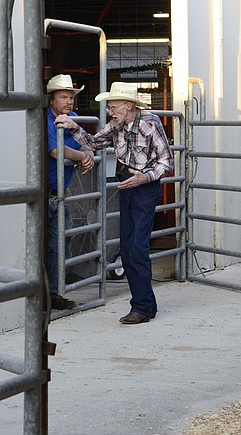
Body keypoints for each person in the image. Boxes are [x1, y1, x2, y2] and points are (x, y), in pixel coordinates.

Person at [56, 81, 174, 325]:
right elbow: (94, 143)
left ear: (129, 106)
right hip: (127, 183)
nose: (110, 111)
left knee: (137, 247)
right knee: (128, 246)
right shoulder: (117, 125)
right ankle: (146, 305)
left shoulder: (150, 124)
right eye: (110, 107)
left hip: (145, 186)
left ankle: (141, 307)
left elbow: (166, 162)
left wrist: (144, 177)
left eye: (114, 106)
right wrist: (72, 126)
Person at [46, 74, 95, 310]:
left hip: (60, 193)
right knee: (46, 245)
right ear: (51, 99)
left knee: (61, 243)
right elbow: (56, 150)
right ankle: (45, 294)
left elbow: (85, 141)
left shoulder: (73, 118)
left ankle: (54, 293)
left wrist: (88, 153)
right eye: (63, 97)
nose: (69, 102)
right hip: (42, 194)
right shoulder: (45, 118)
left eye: (71, 97)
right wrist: (82, 156)